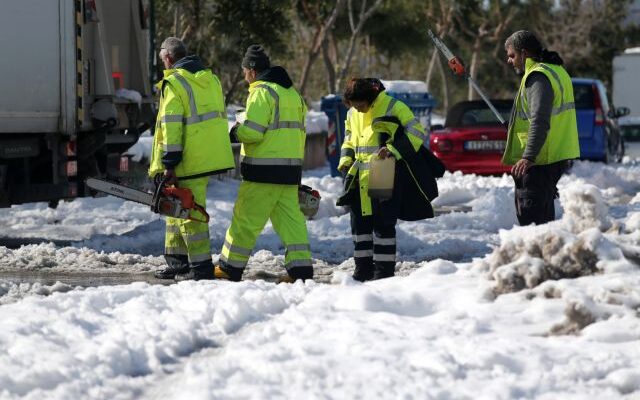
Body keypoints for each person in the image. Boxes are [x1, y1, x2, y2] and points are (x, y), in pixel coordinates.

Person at [214, 45, 313, 283]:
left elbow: (253, 132)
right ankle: (301, 272)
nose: (244, 76)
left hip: (263, 172)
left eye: (244, 71)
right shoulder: (292, 95)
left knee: (245, 220)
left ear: (252, 70)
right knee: (292, 223)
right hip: (289, 172)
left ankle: (229, 268)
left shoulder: (262, 92)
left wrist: (235, 131)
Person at [337, 78, 443, 282]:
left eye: (360, 105)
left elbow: (416, 132)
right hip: (358, 176)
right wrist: (345, 159)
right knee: (359, 226)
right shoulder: (352, 113)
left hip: (383, 172)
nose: (358, 110)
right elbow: (349, 139)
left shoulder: (393, 106)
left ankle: (384, 274)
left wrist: (393, 150)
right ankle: (362, 271)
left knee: (383, 225)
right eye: (353, 106)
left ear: (370, 98)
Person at [150, 37, 235, 281]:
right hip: (204, 157)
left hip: (185, 161)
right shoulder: (209, 79)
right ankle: (177, 263)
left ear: (168, 58)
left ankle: (201, 268)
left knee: (190, 215)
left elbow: (172, 125)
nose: (163, 64)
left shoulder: (175, 82)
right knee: (175, 209)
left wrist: (170, 162)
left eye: (162, 60)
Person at [502, 30, 580, 226]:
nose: (509, 61)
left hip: (540, 159)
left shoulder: (538, 77)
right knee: (544, 220)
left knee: (532, 221)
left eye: (512, 55)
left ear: (524, 53)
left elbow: (540, 120)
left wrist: (528, 156)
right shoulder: (556, 71)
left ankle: (537, 247)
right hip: (552, 156)